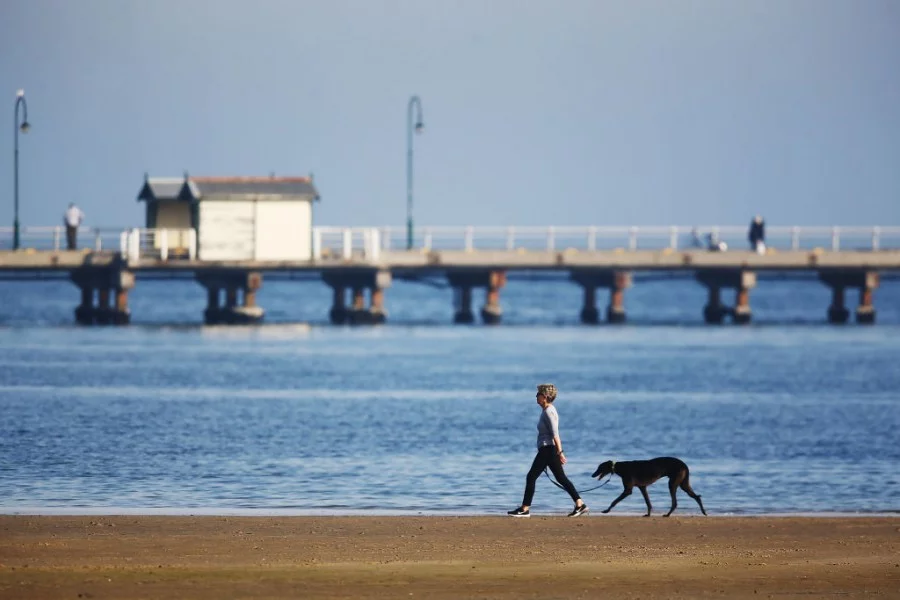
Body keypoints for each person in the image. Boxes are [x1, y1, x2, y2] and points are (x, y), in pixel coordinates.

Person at [508, 383, 588, 518]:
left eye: (538, 394)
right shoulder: (546, 410)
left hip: (548, 449)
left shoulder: (549, 412)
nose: (536, 396)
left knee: (531, 476)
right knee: (561, 478)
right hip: (548, 449)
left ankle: (525, 509)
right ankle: (580, 504)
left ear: (544, 397)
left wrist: (560, 452)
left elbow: (555, 433)